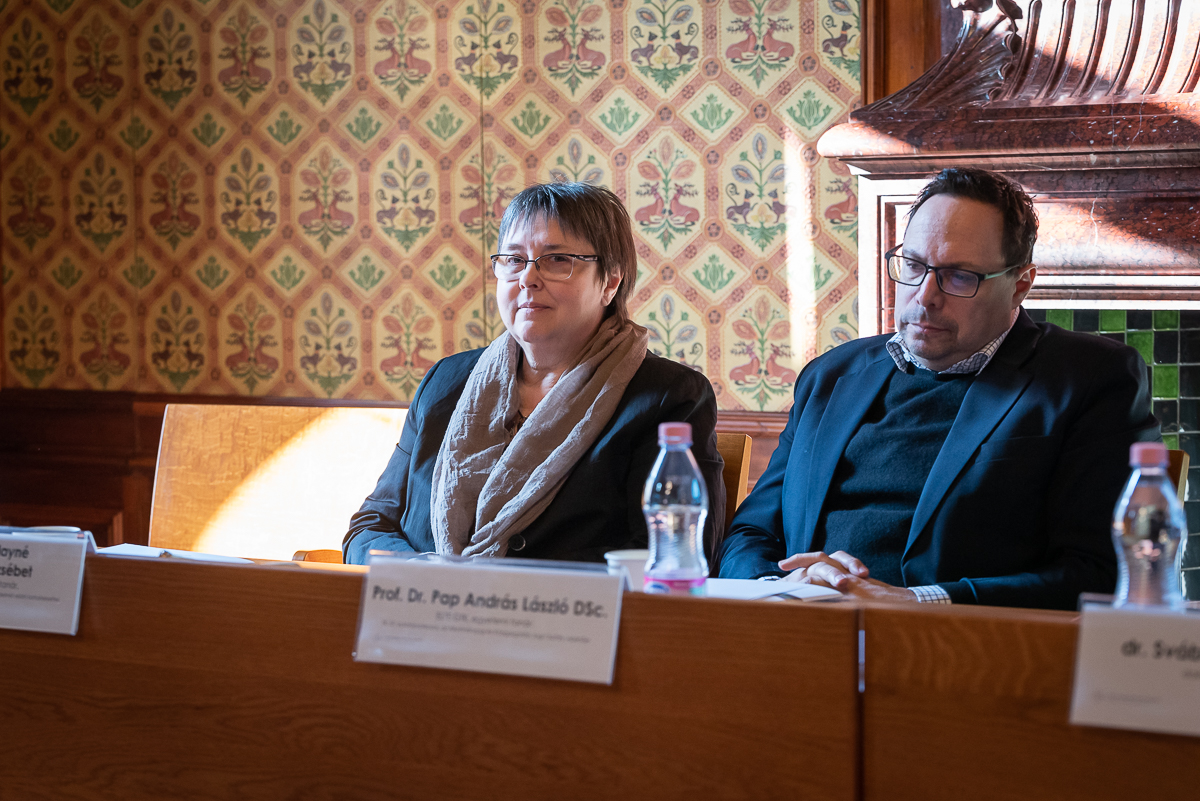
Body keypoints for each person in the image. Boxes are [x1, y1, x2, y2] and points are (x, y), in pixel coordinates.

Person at [717, 167, 1158, 610]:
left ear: (1020, 285)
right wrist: (780, 586)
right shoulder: (830, 376)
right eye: (913, 265)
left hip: (960, 643)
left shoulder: (1090, 379)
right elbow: (750, 533)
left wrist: (918, 602)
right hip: (802, 627)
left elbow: (1101, 572)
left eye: (959, 276)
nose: (925, 296)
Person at [345, 182, 725, 564]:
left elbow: (672, 555)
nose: (528, 278)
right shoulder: (446, 382)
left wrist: (495, 589)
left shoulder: (668, 398)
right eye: (514, 260)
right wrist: (426, 577)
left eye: (557, 259)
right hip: (423, 600)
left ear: (610, 281)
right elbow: (370, 526)